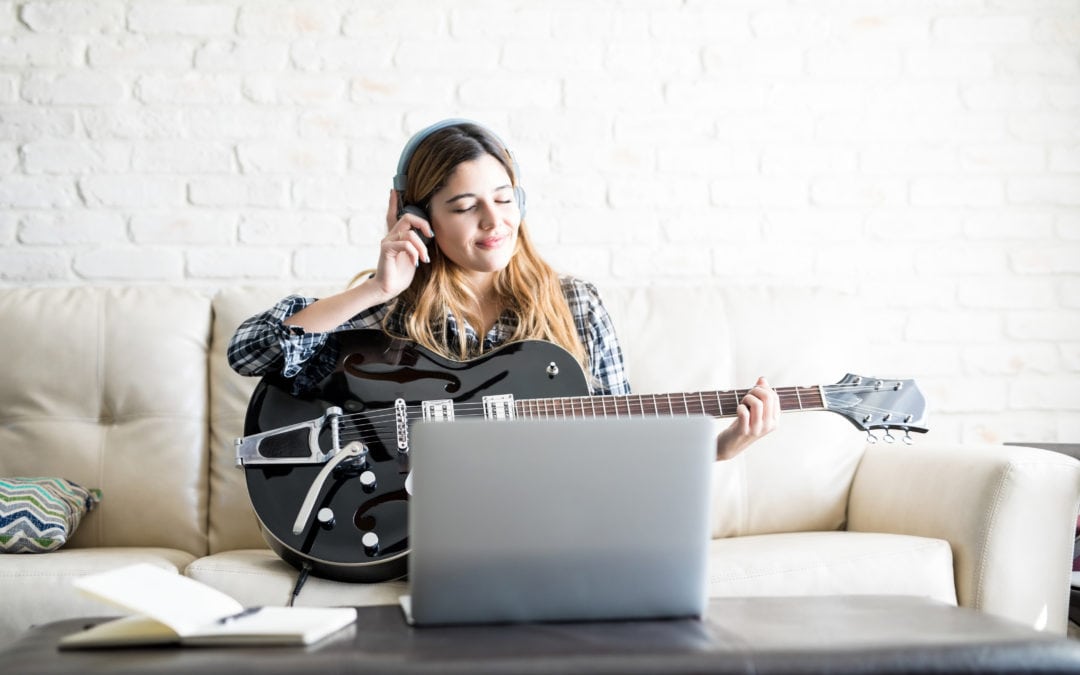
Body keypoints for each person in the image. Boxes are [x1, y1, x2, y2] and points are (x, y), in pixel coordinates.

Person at [227, 119, 778, 461]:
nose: (494, 222)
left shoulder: (576, 304)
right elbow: (251, 351)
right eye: (466, 207)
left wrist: (722, 449)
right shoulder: (389, 308)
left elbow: (619, 441)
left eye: (504, 198)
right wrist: (374, 287)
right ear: (418, 218)